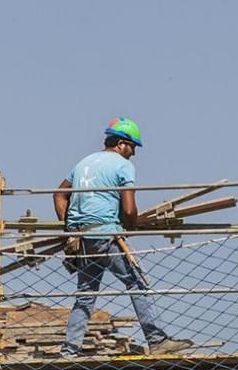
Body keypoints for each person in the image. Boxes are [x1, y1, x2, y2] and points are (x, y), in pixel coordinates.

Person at [54, 117, 193, 357]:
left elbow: (58, 195)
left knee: (85, 295)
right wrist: (128, 228)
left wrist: (72, 225)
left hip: (83, 240)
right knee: (137, 282)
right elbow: (129, 209)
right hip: (107, 236)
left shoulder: (83, 163)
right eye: (133, 147)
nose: (134, 153)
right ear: (120, 144)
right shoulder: (122, 165)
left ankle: (70, 349)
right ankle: (157, 340)